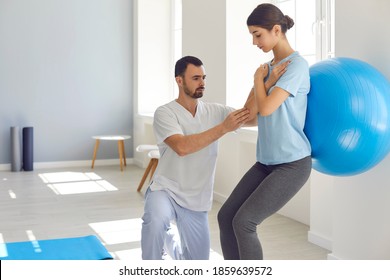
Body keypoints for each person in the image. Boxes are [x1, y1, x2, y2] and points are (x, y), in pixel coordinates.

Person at [218, 3, 312, 260]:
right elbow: (250, 114)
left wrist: (259, 81)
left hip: (292, 164)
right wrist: (265, 80)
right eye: (251, 35)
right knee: (226, 216)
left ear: (277, 30)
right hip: (266, 162)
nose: (253, 41)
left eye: (257, 34)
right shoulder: (268, 68)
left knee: (244, 222)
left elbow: (267, 108)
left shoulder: (297, 66)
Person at [141, 55, 251, 260]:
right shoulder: (165, 113)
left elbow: (250, 117)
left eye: (203, 78)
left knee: (197, 263)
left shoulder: (215, 111)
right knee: (155, 222)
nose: (202, 83)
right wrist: (223, 128)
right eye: (195, 78)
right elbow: (181, 147)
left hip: (197, 199)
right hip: (166, 189)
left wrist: (261, 84)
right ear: (179, 80)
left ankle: (169, 241)